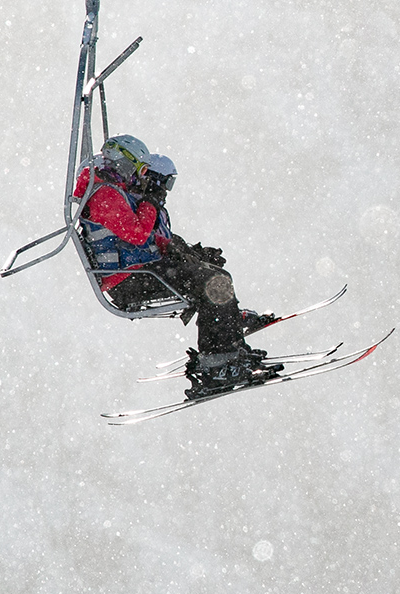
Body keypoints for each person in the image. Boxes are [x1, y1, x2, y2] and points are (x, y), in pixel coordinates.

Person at [74, 134, 280, 398]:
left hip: (140, 272)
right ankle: (217, 364)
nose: (139, 178)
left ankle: (228, 344)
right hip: (130, 281)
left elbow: (150, 238)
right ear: (126, 164)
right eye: (139, 171)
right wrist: (152, 200)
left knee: (215, 277)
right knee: (210, 283)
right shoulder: (105, 194)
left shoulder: (114, 192)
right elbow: (137, 233)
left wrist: (188, 252)